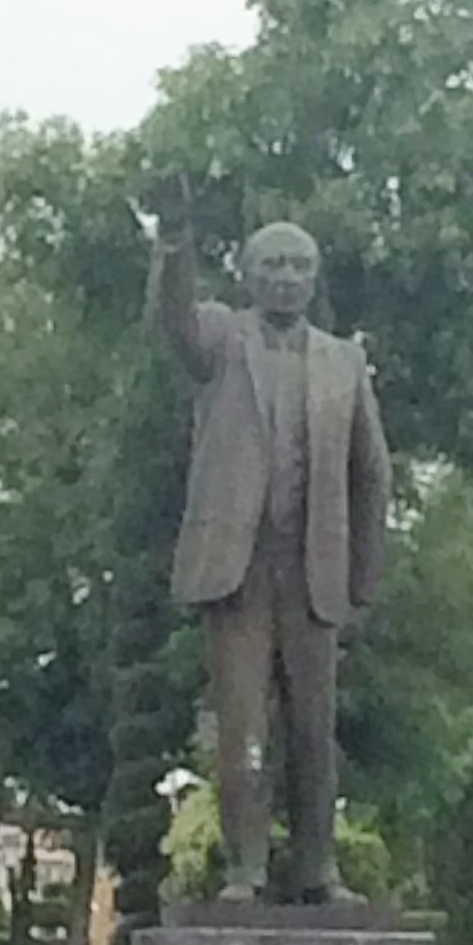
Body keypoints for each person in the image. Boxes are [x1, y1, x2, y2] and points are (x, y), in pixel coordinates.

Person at [148, 205, 392, 903]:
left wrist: (364, 577)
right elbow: (174, 321)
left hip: (314, 574)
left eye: (299, 266)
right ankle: (245, 870)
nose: (286, 278)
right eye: (272, 265)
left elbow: (370, 471)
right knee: (244, 730)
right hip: (239, 572)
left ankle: (319, 868)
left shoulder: (344, 360)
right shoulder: (222, 340)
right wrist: (173, 241)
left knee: (315, 731)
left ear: (314, 279)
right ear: (247, 275)